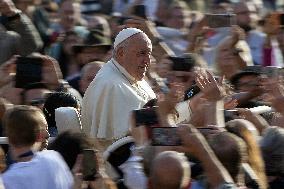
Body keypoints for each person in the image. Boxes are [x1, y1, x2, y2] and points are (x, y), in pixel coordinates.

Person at [81, 28, 156, 150]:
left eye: (149, 54)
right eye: (142, 53)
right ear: (121, 53)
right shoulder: (111, 85)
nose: (147, 61)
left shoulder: (133, 77)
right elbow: (129, 139)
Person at [2, 105, 73, 189]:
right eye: (44, 129)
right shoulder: (55, 159)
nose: (48, 134)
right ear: (40, 136)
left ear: (8, 135)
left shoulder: (7, 179)